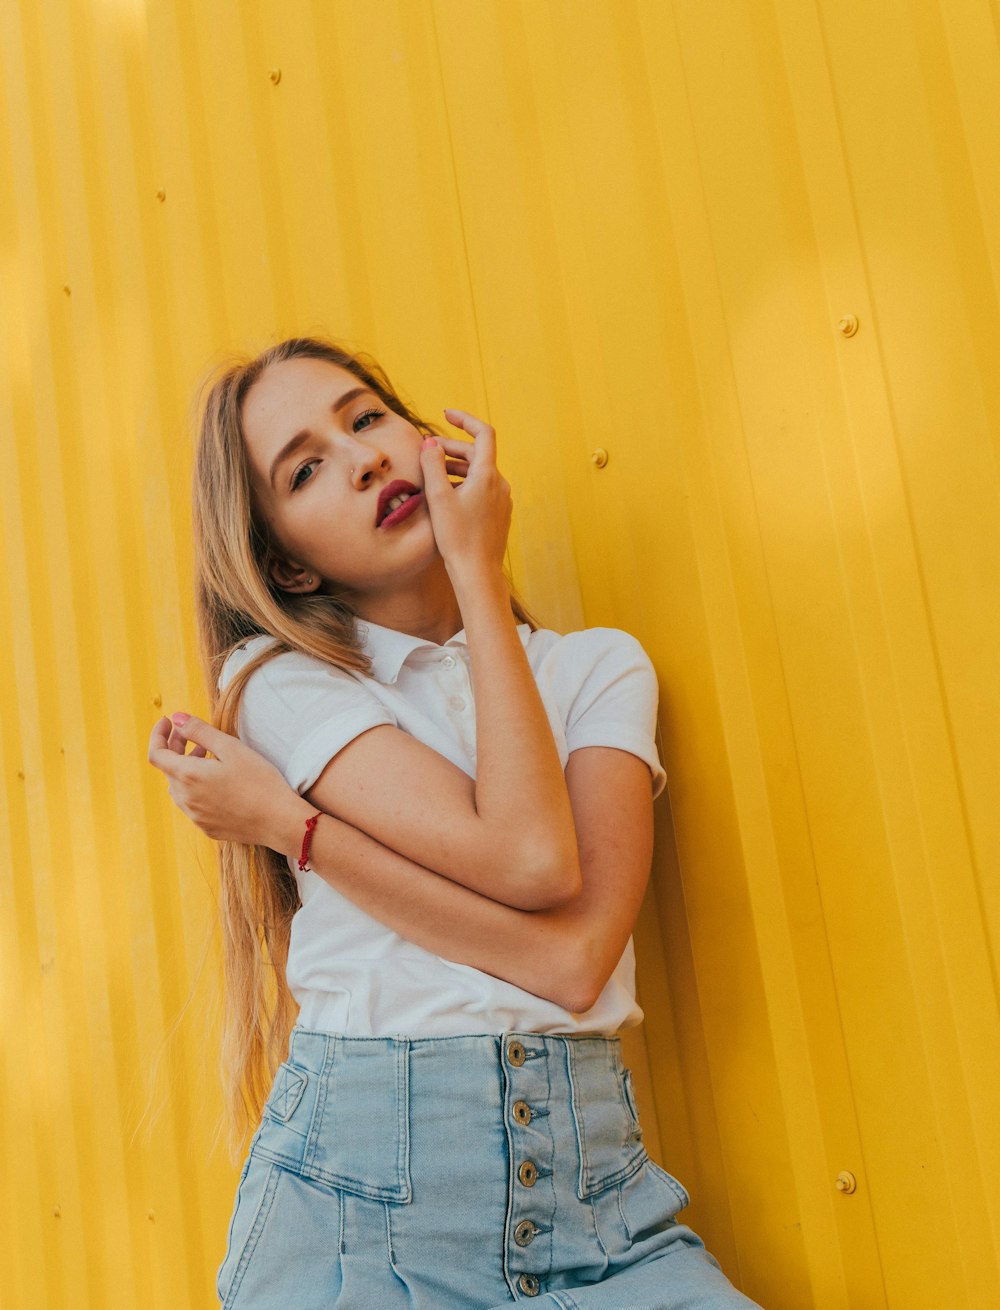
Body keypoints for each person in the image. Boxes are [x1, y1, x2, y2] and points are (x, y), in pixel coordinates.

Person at [147, 337, 761, 1309]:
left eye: (366, 418)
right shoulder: (279, 682)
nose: (362, 459)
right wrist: (474, 570)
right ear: (289, 568)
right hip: (358, 1225)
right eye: (305, 468)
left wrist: (292, 826)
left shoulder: (596, 668)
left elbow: (568, 958)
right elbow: (523, 857)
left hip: (599, 1219)